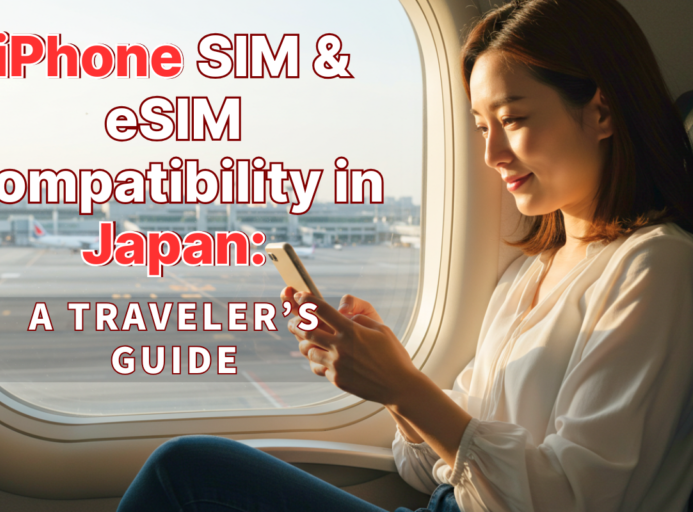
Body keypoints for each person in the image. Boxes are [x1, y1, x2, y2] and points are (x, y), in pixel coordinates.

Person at [116, 0, 693, 510]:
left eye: (513, 120)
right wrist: (390, 380)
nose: (492, 152)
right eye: (479, 126)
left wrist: (402, 387)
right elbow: (423, 471)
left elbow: (571, 501)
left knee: (184, 475)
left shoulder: (656, 267)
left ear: (602, 113)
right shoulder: (528, 275)